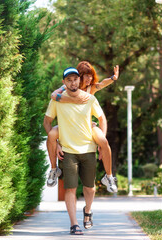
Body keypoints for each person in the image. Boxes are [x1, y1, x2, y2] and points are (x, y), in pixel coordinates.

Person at [43, 67, 106, 235]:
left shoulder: (89, 99)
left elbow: (101, 118)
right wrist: (54, 143)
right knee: (70, 188)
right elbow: (47, 122)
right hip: (68, 151)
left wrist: (101, 140)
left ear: (79, 81)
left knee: (90, 188)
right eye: (69, 80)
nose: (73, 82)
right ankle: (74, 224)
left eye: (75, 79)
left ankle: (88, 211)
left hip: (88, 149)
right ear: (64, 82)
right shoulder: (57, 100)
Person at [46, 61, 119, 193]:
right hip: (67, 123)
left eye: (90, 75)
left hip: (85, 124)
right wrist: (73, 100)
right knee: (51, 135)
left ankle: (108, 177)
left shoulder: (92, 88)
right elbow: (53, 95)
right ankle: (53, 169)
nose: (89, 78)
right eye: (86, 75)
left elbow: (103, 83)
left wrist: (113, 78)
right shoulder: (67, 88)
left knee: (103, 141)